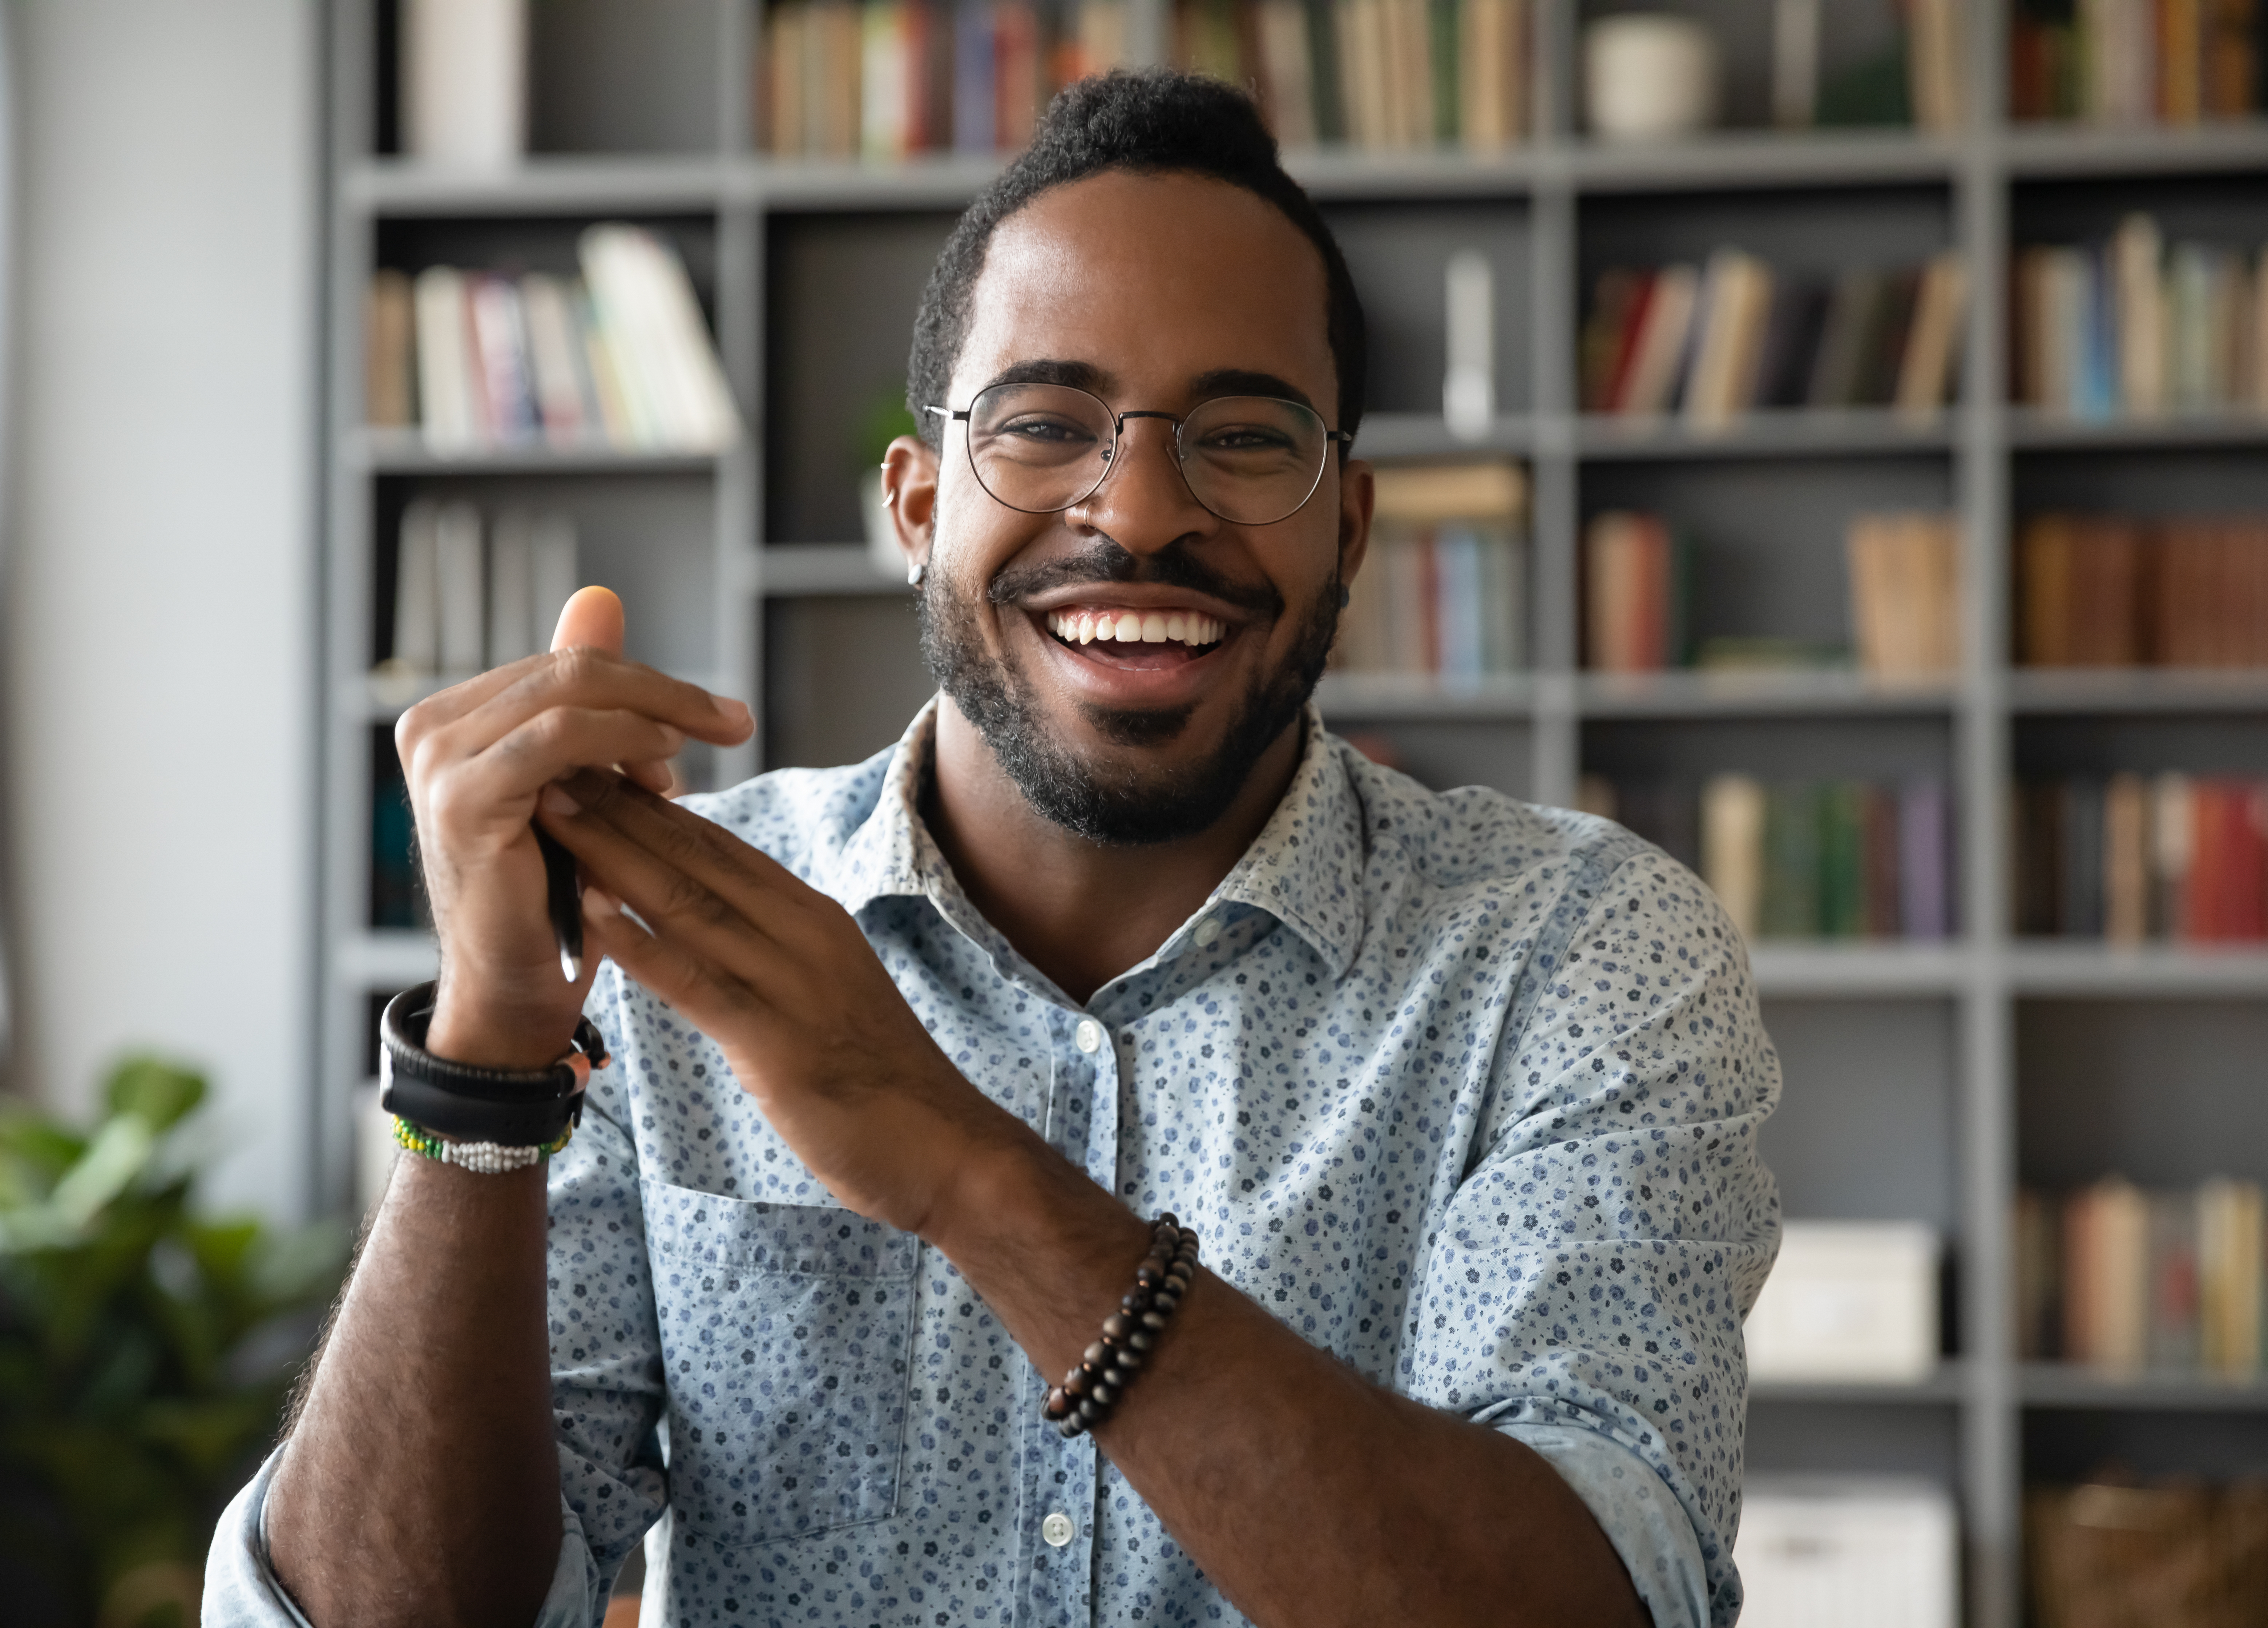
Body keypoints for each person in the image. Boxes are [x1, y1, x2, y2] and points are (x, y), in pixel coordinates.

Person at [210, 68, 1780, 1628]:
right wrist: (484, 1059)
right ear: (913, 505)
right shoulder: (653, 944)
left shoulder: (1583, 950)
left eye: (1243, 437)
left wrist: (960, 1167)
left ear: (1352, 528)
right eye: (1043, 421)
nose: (1144, 508)